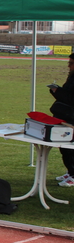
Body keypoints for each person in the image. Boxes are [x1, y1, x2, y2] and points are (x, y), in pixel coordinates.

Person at [49, 53, 74, 187]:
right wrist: (56, 91)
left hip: (71, 118)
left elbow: (71, 99)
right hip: (65, 115)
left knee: (71, 147)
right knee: (64, 146)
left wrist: (58, 92)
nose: (68, 66)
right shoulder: (71, 77)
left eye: (71, 63)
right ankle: (70, 171)